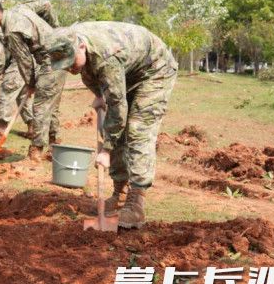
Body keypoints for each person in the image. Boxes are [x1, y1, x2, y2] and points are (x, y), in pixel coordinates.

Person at [45, 22, 178, 229]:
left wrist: (106, 150)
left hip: (154, 70)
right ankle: (120, 192)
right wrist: (99, 96)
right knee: (113, 128)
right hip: (128, 71)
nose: (70, 68)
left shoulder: (105, 56)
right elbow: (92, 76)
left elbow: (117, 107)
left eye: (71, 61)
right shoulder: (80, 48)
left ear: (81, 46)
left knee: (137, 128)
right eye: (64, 65)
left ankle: (136, 201)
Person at [0, 0, 67, 161]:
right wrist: (56, 30)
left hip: (51, 59)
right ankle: (55, 147)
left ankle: (35, 152)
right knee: (50, 104)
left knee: (40, 105)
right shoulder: (20, 9)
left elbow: (24, 60)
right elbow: (46, 4)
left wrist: (30, 83)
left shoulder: (11, 31)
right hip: (62, 52)